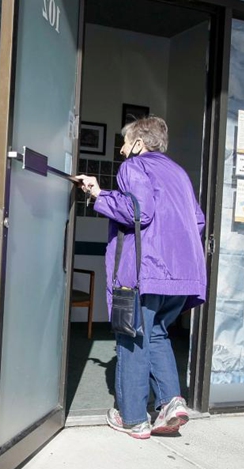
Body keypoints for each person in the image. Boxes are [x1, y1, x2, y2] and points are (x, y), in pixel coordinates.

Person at [74, 116, 206, 440]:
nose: (120, 150)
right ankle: (171, 403)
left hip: (146, 273)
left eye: (124, 143)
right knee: (157, 333)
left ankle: (132, 418)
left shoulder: (134, 167)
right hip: (182, 275)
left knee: (131, 338)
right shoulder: (179, 174)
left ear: (138, 143)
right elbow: (198, 222)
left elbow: (139, 211)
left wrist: (98, 194)